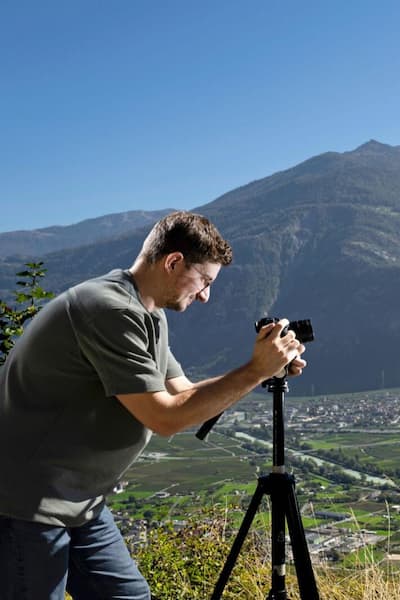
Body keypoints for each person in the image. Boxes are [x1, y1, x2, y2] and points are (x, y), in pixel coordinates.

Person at [0, 211, 307, 599]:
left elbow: (185, 394)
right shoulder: (111, 310)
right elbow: (166, 417)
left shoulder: (148, 313)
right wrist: (252, 371)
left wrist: (263, 370)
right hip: (26, 504)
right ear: (173, 261)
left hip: (79, 502)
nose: (205, 295)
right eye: (205, 281)